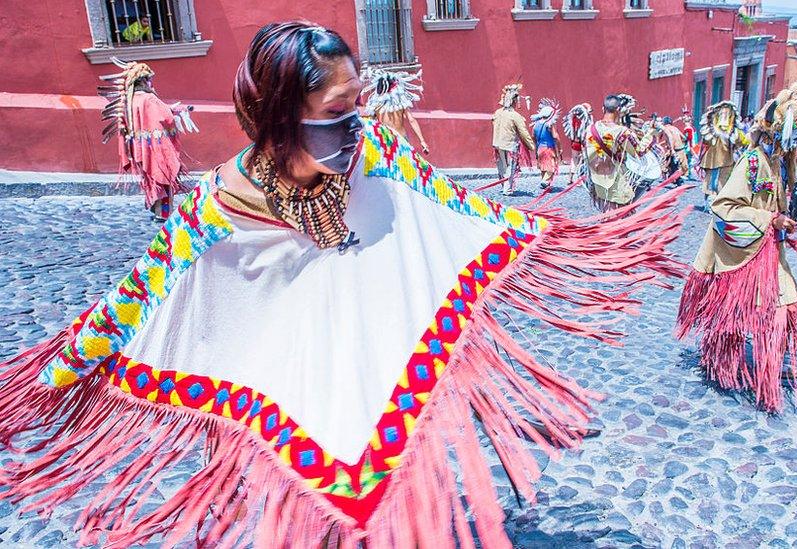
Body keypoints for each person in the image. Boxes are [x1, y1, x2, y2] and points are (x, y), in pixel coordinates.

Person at [0, 21, 690, 547]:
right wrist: (51, 377)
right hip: (285, 387)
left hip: (368, 362)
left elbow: (461, 214)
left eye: (359, 104)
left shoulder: (376, 155)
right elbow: (137, 303)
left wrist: (565, 235)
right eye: (337, 111)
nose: (356, 125)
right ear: (278, 116)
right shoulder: (215, 209)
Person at [675, 83, 797, 413]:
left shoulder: (780, 162)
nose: (796, 142)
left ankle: (774, 361)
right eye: (792, 134)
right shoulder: (752, 163)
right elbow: (724, 206)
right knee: (733, 314)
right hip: (737, 254)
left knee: (786, 305)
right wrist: (769, 218)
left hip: (770, 250)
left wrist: (782, 220)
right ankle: (722, 363)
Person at [98, 58, 198, 221]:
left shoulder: (130, 100)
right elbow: (165, 116)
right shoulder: (148, 98)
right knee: (164, 176)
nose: (151, 83)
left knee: (150, 176)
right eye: (149, 79)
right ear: (143, 80)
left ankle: (155, 207)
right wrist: (180, 110)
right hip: (156, 146)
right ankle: (163, 212)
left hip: (140, 146)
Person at [584, 94, 647, 210]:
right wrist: (650, 136)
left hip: (597, 178)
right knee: (618, 216)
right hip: (615, 181)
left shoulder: (590, 129)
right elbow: (639, 152)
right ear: (619, 110)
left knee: (606, 212)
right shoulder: (622, 132)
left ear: (603, 108)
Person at [361, 67, 430, 154]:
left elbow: (371, 124)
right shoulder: (400, 103)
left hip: (385, 141)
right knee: (407, 165)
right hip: (401, 140)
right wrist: (422, 141)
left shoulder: (376, 105)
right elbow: (411, 120)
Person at [698, 101, 747, 208]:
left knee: (724, 184)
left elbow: (743, 141)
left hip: (728, 161)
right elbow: (706, 142)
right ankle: (712, 202)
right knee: (712, 184)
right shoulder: (710, 131)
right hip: (712, 161)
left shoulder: (734, 132)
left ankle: (722, 203)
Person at [492, 83, 535, 196]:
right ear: (514, 101)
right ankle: (507, 188)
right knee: (510, 167)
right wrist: (531, 146)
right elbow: (523, 132)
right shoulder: (515, 116)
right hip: (510, 144)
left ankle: (504, 185)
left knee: (502, 166)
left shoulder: (497, 113)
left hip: (497, 143)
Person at [531, 98, 563, 189]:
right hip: (549, 148)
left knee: (543, 167)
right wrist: (560, 148)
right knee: (551, 167)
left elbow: (533, 136)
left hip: (540, 148)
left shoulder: (536, 124)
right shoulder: (550, 124)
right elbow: (555, 136)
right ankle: (544, 181)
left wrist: (536, 146)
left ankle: (546, 184)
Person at [562, 102, 593, 179]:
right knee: (582, 160)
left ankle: (570, 177)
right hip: (583, 142)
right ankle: (580, 178)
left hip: (575, 142)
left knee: (574, 160)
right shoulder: (586, 121)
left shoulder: (573, 119)